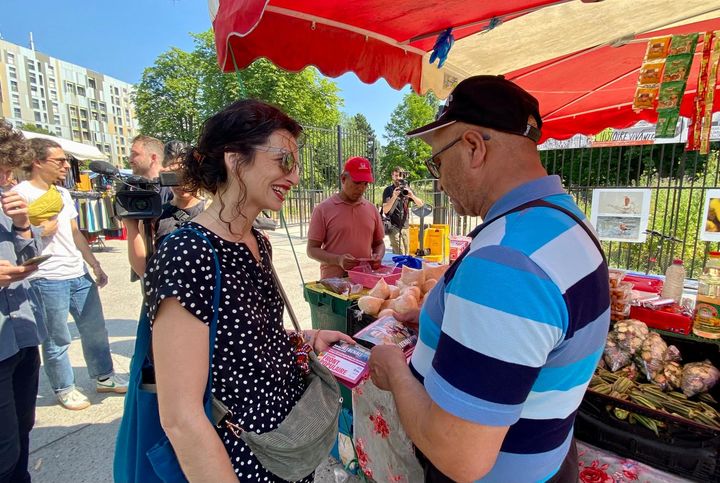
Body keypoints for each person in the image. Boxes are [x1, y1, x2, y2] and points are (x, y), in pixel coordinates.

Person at [368, 75, 610, 482]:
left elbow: (459, 454)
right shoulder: (566, 223)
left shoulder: (507, 257)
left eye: (438, 162)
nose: (440, 181)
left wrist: (394, 369)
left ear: (473, 148)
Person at [142, 99, 354, 482]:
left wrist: (307, 337)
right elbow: (180, 416)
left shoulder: (257, 241)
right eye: (283, 160)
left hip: (286, 443)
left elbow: (244, 341)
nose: (295, 177)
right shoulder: (187, 253)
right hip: (239, 456)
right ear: (235, 159)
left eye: (296, 163)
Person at [14, 138, 127, 411]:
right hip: (47, 277)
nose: (66, 165)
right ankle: (64, 386)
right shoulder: (20, 194)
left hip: (77, 273)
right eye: (60, 160)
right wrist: (40, 232)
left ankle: (104, 375)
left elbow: (76, 233)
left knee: (95, 330)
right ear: (38, 162)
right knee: (57, 337)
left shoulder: (63, 194)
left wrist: (93, 263)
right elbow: (16, 239)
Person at [0, 120, 46, 483]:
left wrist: (22, 226)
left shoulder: (7, 203)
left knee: (23, 431)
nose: (6, 178)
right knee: (5, 450)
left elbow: (30, 258)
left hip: (22, 336)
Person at [125, 140, 205, 277]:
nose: (181, 181)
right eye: (173, 174)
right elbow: (144, 270)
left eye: (186, 173)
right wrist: (130, 225)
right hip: (167, 290)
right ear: (163, 174)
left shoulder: (212, 210)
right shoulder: (157, 214)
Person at [307, 156, 386, 278]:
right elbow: (312, 250)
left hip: (365, 279)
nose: (361, 188)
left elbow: (379, 243)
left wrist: (378, 256)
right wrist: (338, 260)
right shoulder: (323, 209)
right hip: (333, 283)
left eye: (365, 184)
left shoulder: (372, 209)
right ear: (343, 179)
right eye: (357, 182)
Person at [382, 167, 424, 255]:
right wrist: (394, 196)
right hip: (393, 226)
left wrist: (412, 196)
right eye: (396, 176)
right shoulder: (388, 190)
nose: (398, 178)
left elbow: (421, 204)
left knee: (406, 253)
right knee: (400, 253)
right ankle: (399, 268)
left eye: (400, 176)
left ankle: (402, 268)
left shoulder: (407, 189)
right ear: (392, 176)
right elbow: (385, 210)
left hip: (405, 226)